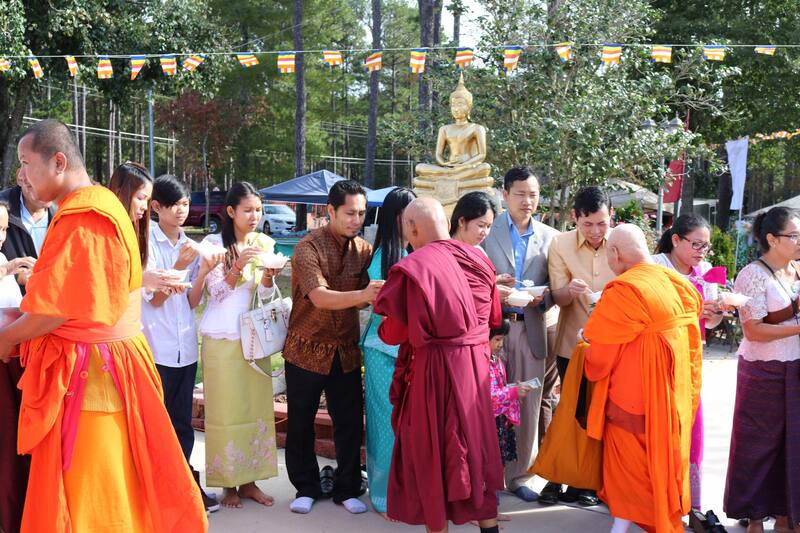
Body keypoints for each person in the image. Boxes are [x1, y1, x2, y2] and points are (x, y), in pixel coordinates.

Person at [0, 118, 206, 531]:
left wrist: (6, 338)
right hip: (106, 364)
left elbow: (56, 311)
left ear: (58, 162)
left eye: (26, 162)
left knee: (93, 490)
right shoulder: (102, 203)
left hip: (93, 375)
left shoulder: (86, 217)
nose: (21, 175)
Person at [374, 197, 504, 533]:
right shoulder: (480, 259)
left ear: (412, 228)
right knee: (474, 448)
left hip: (434, 375)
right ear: (447, 224)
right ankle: (489, 527)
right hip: (474, 372)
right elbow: (493, 318)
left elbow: (394, 332)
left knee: (432, 452)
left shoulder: (415, 267)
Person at [582, 224, 702, 533]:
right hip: (673, 395)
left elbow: (601, 355)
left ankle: (630, 525)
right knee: (661, 463)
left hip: (634, 398)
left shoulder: (624, 290)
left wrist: (586, 347)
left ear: (615, 253)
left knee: (629, 469)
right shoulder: (677, 283)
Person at [283, 180, 380, 515]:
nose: (357, 220)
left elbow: (375, 291)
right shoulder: (307, 247)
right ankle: (305, 486)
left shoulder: (364, 251)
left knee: (349, 422)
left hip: (345, 351)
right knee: (300, 422)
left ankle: (347, 487)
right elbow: (320, 297)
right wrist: (364, 295)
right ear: (331, 211)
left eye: (362, 213)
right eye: (350, 213)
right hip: (305, 349)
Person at [193, 181, 282, 509]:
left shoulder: (264, 243)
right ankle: (228, 484)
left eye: (258, 209)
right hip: (221, 338)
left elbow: (266, 294)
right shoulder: (213, 244)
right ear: (231, 212)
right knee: (225, 412)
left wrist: (269, 275)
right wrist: (238, 265)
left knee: (254, 409)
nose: (254, 216)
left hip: (254, 338)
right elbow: (214, 294)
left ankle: (250, 482)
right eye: (248, 210)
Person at [141, 175, 223, 513]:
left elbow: (191, 301)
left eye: (186, 204)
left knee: (182, 423)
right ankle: (159, 493)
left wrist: (202, 271)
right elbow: (154, 300)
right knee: (157, 425)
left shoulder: (191, 244)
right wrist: (178, 266)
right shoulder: (147, 243)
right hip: (156, 348)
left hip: (184, 348)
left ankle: (186, 487)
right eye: (174, 205)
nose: (181, 211)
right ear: (156, 207)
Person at [482, 166, 559, 501]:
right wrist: (494, 289)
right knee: (487, 400)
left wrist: (545, 296)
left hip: (530, 327)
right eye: (520, 194)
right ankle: (488, 474)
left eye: (533, 195)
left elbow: (556, 285)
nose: (527, 201)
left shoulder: (551, 237)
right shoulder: (488, 229)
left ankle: (520, 476)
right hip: (492, 328)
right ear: (505, 195)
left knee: (526, 402)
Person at [724, 207, 800, 533]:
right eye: (793, 236)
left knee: (791, 445)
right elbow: (753, 330)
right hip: (762, 370)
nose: (799, 241)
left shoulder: (796, 269)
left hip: (795, 367)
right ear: (772, 239)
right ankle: (753, 516)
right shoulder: (753, 274)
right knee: (757, 446)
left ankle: (786, 515)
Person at [539, 186, 614, 507]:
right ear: (575, 218)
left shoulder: (621, 242)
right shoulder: (560, 243)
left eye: (602, 223)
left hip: (613, 345)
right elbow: (557, 297)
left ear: (611, 216)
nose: (596, 231)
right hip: (572, 342)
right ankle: (556, 475)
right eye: (588, 224)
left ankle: (587, 482)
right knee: (568, 413)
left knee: (600, 416)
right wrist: (569, 290)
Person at [653, 213, 727, 514]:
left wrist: (716, 312)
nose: (702, 252)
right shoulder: (656, 268)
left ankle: (687, 500)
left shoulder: (705, 271)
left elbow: (711, 322)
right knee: (658, 426)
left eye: (706, 246)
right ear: (675, 240)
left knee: (691, 425)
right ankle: (652, 498)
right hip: (658, 356)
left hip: (692, 359)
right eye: (696, 244)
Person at [360, 186, 417, 516]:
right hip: (383, 350)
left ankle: (404, 489)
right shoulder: (384, 257)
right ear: (396, 217)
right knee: (385, 423)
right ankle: (383, 494)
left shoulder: (409, 252)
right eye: (409, 215)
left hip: (405, 350)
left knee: (405, 424)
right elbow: (384, 309)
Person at [108, 161, 181, 293]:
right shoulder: (103, 232)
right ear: (119, 193)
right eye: (140, 198)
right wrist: (143, 279)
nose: (145, 207)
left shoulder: (132, 230)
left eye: (147, 201)